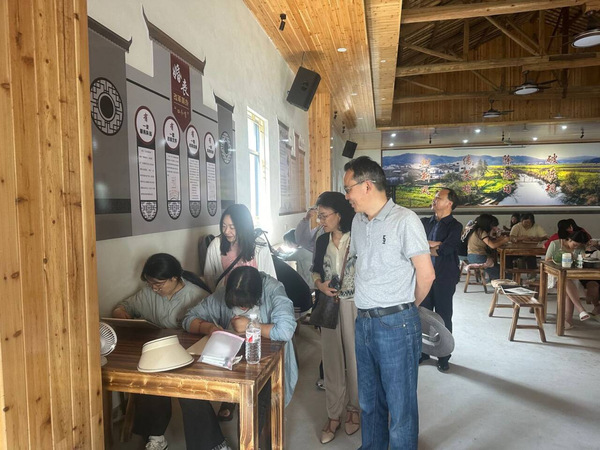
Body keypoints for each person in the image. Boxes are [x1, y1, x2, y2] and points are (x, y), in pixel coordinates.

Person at [343, 156, 435, 450]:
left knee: (400, 406)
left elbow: (427, 275)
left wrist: (406, 308)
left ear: (367, 186)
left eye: (348, 189)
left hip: (397, 323)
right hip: (364, 322)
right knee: (369, 402)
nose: (346, 196)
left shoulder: (405, 220)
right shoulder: (358, 222)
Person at [112, 254, 226, 450]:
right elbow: (123, 307)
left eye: (159, 284)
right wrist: (121, 314)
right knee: (148, 381)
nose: (154, 289)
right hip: (158, 352)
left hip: (188, 355)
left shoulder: (197, 296)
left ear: (174, 278)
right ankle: (156, 436)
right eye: (150, 283)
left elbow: (211, 329)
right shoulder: (148, 293)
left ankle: (211, 445)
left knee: (189, 390)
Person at [182, 266, 298, 420]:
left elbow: (285, 331)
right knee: (192, 386)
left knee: (259, 401)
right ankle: (230, 402)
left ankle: (254, 429)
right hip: (232, 357)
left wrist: (251, 325)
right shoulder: (226, 292)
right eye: (236, 303)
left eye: (245, 304)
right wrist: (209, 328)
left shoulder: (273, 290)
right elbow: (189, 318)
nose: (241, 307)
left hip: (264, 358)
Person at [311, 191, 358, 444]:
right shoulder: (322, 241)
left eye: (324, 216)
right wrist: (320, 285)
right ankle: (333, 414)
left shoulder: (358, 236)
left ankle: (354, 409)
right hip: (329, 305)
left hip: (355, 305)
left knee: (355, 358)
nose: (320, 221)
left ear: (339, 215)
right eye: (319, 216)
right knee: (331, 360)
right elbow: (315, 270)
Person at [419, 188, 462, 372]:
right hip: (423, 276)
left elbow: (446, 250)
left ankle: (444, 355)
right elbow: (414, 245)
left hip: (445, 277)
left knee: (444, 316)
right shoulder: (423, 222)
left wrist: (426, 246)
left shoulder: (455, 226)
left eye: (438, 198)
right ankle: (423, 351)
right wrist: (435, 245)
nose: (434, 200)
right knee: (423, 314)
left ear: (449, 203)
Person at [203, 204, 276, 292]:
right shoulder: (216, 245)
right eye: (223, 226)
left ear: (244, 227)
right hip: (225, 298)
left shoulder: (260, 246)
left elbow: (271, 280)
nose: (226, 231)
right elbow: (209, 278)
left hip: (255, 298)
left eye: (232, 227)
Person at [545, 230, 596, 329]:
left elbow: (582, 258)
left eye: (579, 245)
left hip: (571, 275)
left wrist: (586, 253)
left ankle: (569, 321)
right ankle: (579, 310)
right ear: (569, 239)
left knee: (568, 286)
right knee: (566, 282)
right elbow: (547, 260)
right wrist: (562, 260)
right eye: (575, 244)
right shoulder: (555, 244)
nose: (576, 247)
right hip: (554, 274)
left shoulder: (580, 247)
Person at [467, 214, 510, 281]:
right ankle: (506, 279)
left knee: (499, 268)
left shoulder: (476, 230)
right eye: (492, 225)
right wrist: (504, 240)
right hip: (478, 257)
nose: (493, 227)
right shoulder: (481, 232)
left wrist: (500, 239)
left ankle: (491, 278)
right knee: (503, 272)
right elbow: (492, 246)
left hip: (472, 256)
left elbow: (490, 241)